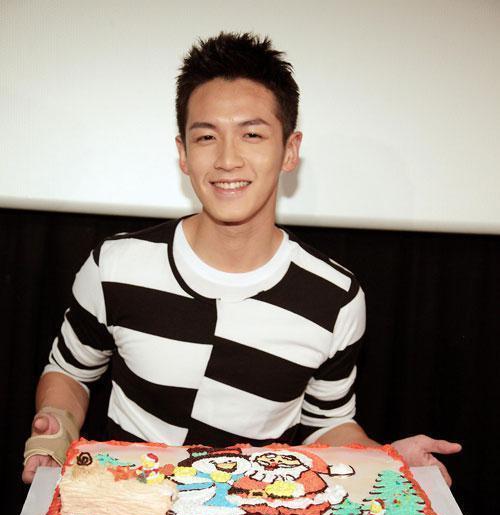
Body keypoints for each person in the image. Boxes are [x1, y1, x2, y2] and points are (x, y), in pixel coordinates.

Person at [22, 32, 461, 486]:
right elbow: (69, 372)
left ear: (289, 150)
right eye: (206, 136)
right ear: (183, 154)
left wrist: (386, 461)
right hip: (126, 508)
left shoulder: (335, 297)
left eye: (252, 134)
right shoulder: (115, 265)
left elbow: (327, 425)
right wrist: (55, 427)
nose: (227, 159)